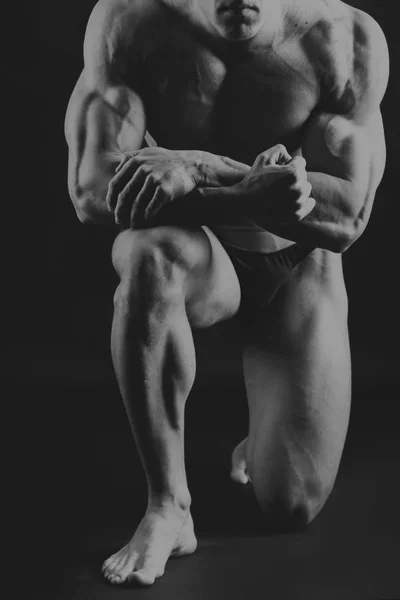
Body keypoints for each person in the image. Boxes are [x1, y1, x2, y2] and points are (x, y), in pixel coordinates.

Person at [64, 0, 388, 587]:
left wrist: (205, 168)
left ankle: (266, 427)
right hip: (200, 251)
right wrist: (246, 189)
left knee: (290, 507)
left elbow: (345, 217)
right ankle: (169, 507)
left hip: (298, 264)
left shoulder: (342, 38)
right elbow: (92, 190)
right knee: (145, 253)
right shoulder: (131, 23)